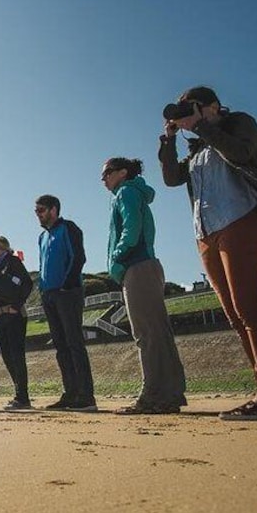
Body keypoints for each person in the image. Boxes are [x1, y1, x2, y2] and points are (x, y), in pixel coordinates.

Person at [158, 85, 257, 420]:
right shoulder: (199, 146)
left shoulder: (238, 124)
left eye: (191, 107)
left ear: (213, 106)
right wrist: (169, 139)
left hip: (240, 219)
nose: (186, 114)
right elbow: (173, 178)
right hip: (206, 232)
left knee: (250, 307)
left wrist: (203, 125)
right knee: (234, 315)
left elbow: (242, 154)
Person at [102, 157, 187, 414]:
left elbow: (131, 228)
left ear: (123, 172)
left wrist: (118, 255)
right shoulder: (132, 192)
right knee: (157, 333)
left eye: (107, 173)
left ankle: (153, 395)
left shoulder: (126, 192)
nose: (103, 179)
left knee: (147, 334)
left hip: (137, 266)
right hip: (144, 265)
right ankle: (169, 393)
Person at [35, 194, 97, 412]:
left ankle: (86, 396)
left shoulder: (69, 228)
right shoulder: (42, 237)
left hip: (68, 293)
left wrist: (67, 284)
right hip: (49, 295)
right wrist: (42, 290)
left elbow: (78, 257)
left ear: (54, 209)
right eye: (36, 211)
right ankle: (70, 393)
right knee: (60, 346)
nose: (38, 215)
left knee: (74, 343)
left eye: (41, 210)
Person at [0, 235, 34, 410]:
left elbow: (27, 284)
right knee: (7, 356)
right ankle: (20, 392)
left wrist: (16, 305)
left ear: (5, 248)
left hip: (13, 314)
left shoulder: (12, 262)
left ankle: (22, 397)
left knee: (16, 355)